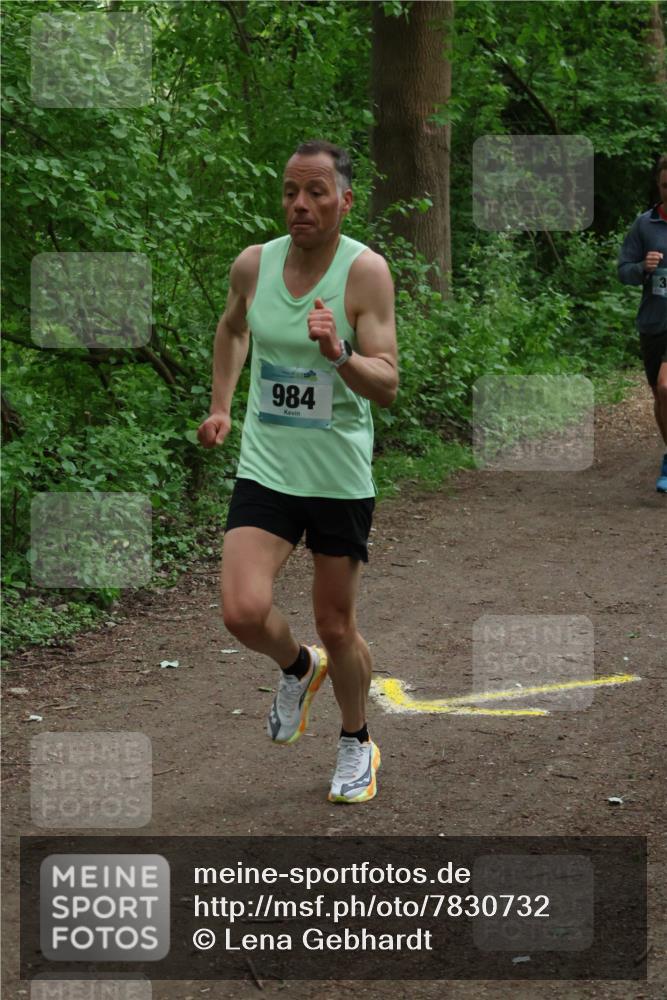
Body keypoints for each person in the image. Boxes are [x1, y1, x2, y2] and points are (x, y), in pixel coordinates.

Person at [197, 140, 398, 803]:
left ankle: (355, 741)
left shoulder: (364, 273)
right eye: (289, 191)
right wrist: (222, 405)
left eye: (315, 192)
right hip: (267, 467)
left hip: (337, 475)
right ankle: (295, 665)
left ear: (344, 199)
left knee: (337, 625)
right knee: (241, 610)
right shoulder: (254, 264)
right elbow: (232, 330)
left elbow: (387, 382)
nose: (300, 205)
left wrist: (338, 353)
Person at [618, 153, 667, 493]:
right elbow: (623, 271)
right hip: (654, 321)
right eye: (666, 185)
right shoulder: (644, 225)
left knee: (666, 387)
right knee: (660, 395)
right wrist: (642, 268)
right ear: (659, 185)